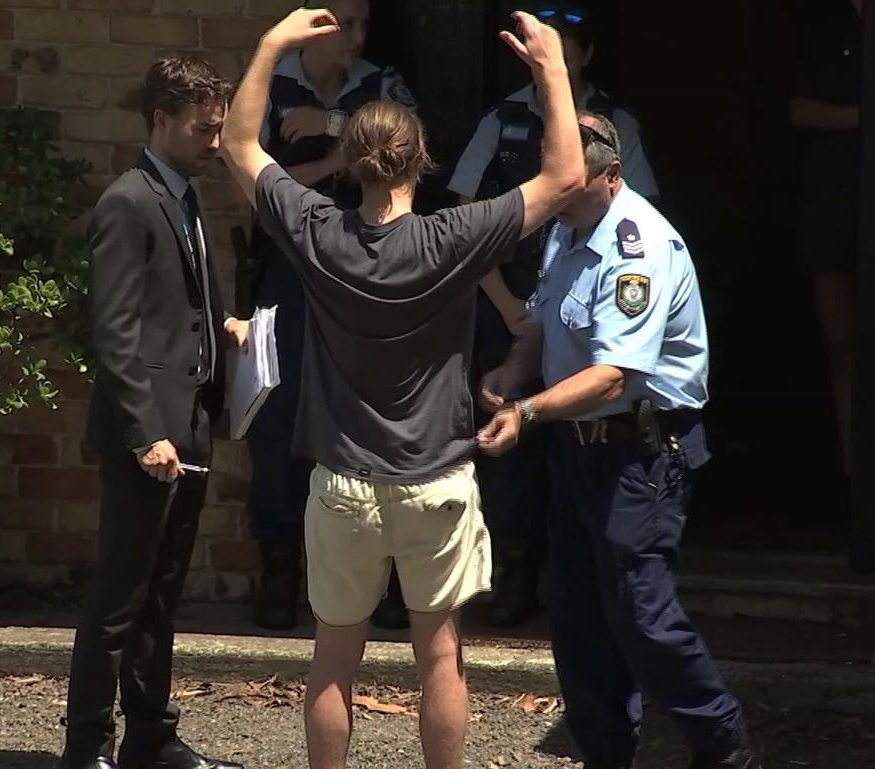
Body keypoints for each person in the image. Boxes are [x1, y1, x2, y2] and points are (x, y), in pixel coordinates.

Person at [221, 8, 584, 769]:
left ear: (351, 162)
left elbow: (238, 145)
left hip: (344, 484)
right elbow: (565, 178)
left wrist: (271, 44)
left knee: (333, 661)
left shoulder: (319, 230)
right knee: (441, 659)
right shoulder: (455, 237)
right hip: (435, 481)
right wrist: (551, 68)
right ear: (421, 159)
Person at [477, 112, 760, 769]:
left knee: (641, 614)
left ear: (612, 175)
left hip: (640, 450)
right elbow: (544, 324)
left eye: (570, 185)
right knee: (575, 614)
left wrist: (525, 412)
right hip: (576, 449)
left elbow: (614, 377)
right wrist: (511, 371)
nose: (556, 195)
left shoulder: (640, 247)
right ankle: (605, 752)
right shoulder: (566, 228)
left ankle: (722, 743)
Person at [448, 2, 661, 627]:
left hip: (588, 315)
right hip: (507, 307)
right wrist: (514, 313)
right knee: (508, 455)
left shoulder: (614, 124)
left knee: (580, 439)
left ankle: (570, 580)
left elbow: (636, 210)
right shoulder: (504, 119)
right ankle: (513, 576)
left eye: (567, 57)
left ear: (586, 57)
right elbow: (464, 219)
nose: (555, 71)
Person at [63, 56, 249, 769]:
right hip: (150, 434)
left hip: (190, 423)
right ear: (159, 120)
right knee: (118, 595)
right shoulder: (128, 202)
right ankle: (86, 748)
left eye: (219, 128)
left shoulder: (182, 195)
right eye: (202, 129)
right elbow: (114, 333)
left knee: (161, 593)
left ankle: (150, 733)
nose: (214, 142)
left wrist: (226, 325)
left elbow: (185, 293)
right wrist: (145, 433)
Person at [244, 0, 419, 631]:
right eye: (346, 22)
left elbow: (412, 152)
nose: (357, 36)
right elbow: (250, 175)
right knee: (280, 417)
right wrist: (341, 160)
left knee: (376, 409)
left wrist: (335, 122)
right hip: (290, 269)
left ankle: (393, 577)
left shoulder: (383, 84)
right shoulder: (274, 86)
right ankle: (280, 571)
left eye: (365, 24)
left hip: (368, 260)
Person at [790, 0, 862, 477]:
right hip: (835, 201)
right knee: (845, 346)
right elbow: (798, 108)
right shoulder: (824, 24)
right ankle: (855, 471)